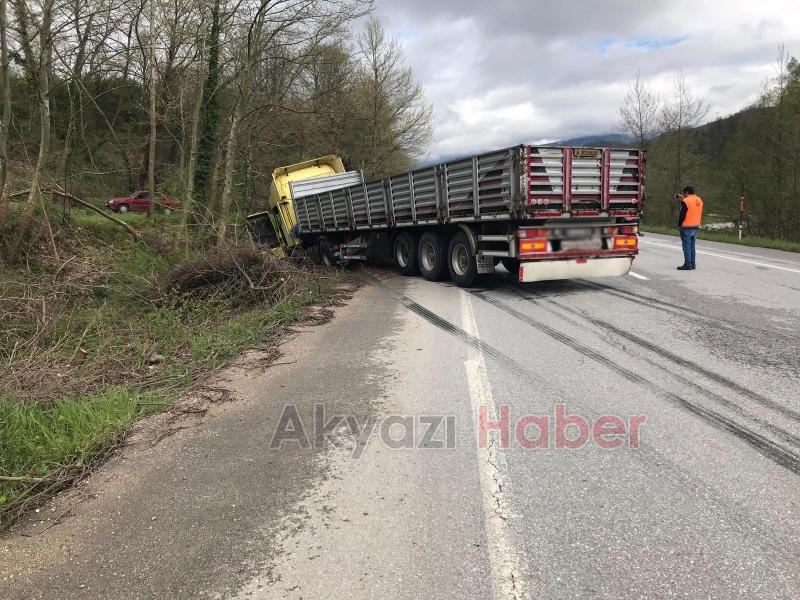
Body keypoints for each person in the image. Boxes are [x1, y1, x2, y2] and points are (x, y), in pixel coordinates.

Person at [677, 186, 703, 270]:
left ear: (686, 192)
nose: (684, 195)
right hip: (695, 225)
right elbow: (693, 208)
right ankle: (692, 264)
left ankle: (687, 264)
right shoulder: (699, 200)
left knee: (686, 246)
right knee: (692, 246)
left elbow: (682, 214)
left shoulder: (686, 201)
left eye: (684, 193)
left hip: (686, 226)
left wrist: (679, 224)